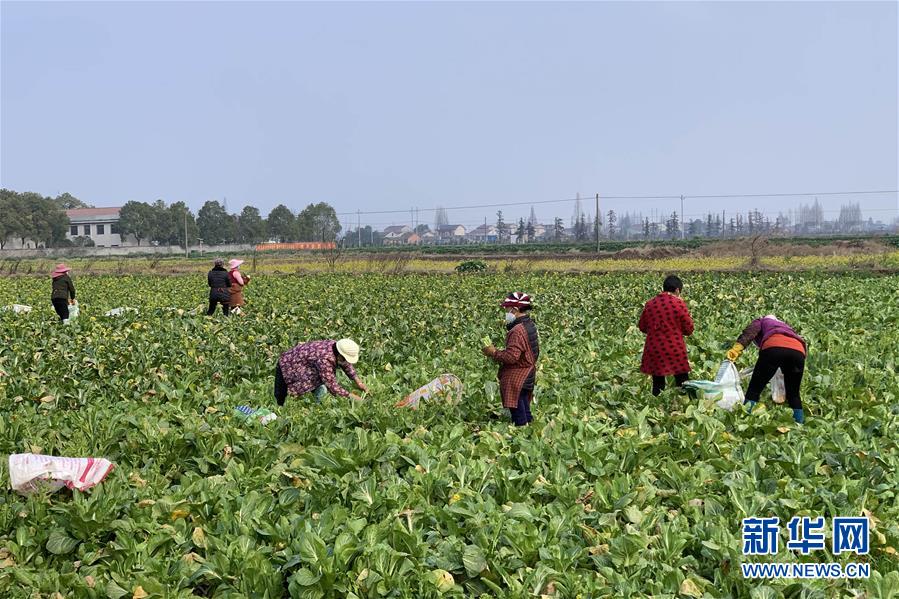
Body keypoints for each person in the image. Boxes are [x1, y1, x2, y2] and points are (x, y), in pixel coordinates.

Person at [726, 314, 807, 423]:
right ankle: (800, 424)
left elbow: (748, 334)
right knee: (793, 393)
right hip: (798, 351)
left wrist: (736, 349)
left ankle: (744, 419)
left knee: (754, 389)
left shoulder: (761, 321)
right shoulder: (786, 327)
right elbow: (792, 346)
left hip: (773, 346)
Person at [482, 292, 540, 426]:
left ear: (515, 309)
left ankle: (521, 436)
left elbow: (511, 357)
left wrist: (493, 352)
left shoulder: (517, 330)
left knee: (518, 412)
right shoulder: (530, 324)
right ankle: (530, 431)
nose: (506, 312)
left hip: (517, 376)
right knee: (524, 406)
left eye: (507, 309)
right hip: (528, 373)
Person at [638, 275, 694, 395]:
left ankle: (657, 408)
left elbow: (642, 326)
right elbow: (689, 329)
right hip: (674, 348)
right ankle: (683, 405)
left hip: (654, 348)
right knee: (682, 380)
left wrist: (656, 331)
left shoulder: (650, 304)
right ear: (677, 290)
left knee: (658, 383)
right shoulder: (679, 304)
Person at [274, 338, 368, 406]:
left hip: (303, 364)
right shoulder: (325, 359)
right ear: (340, 354)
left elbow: (345, 363)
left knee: (317, 386)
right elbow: (332, 386)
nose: (345, 361)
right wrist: (353, 397)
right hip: (288, 364)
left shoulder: (336, 346)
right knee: (280, 396)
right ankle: (279, 410)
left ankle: (315, 406)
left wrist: (358, 382)